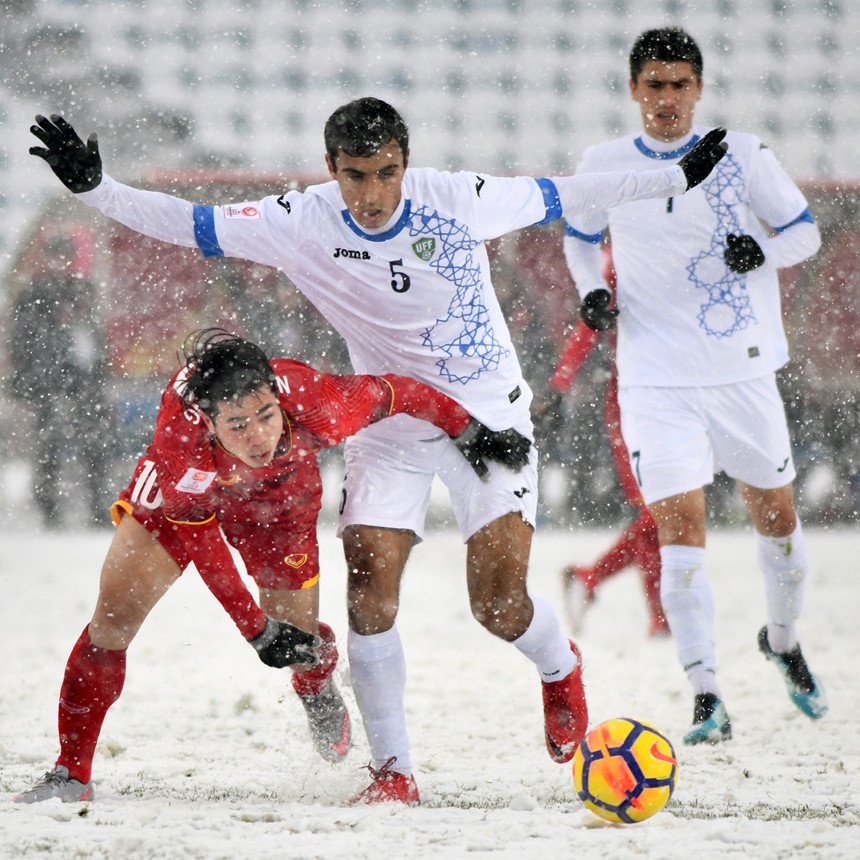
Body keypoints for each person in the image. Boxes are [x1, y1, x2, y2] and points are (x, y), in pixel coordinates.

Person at [28, 101, 727, 802]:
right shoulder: (299, 221)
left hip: (487, 416)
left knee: (498, 604)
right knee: (368, 591)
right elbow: (191, 224)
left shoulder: (458, 200)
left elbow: (568, 193)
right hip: (387, 425)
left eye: (387, 173)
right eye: (356, 176)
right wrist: (97, 189)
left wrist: (673, 181)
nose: (371, 194)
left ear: (406, 161)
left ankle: (557, 668)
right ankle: (394, 772)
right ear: (331, 169)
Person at [14, 328, 528, 803]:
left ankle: (314, 683)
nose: (258, 436)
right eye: (238, 425)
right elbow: (203, 544)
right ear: (210, 422)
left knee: (298, 643)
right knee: (113, 618)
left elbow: (398, 392)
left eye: (265, 415)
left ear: (277, 399)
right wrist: (254, 630)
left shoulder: (315, 401)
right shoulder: (183, 438)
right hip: (184, 495)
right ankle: (70, 773)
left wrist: (467, 430)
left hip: (280, 503)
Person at [561, 27, 827, 745]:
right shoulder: (605, 164)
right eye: (655, 85)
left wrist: (763, 250)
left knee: (780, 526)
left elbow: (805, 231)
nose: (667, 98)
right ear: (633, 90)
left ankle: (780, 636)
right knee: (679, 535)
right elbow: (578, 236)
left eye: (680, 85)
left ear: (699, 89)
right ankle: (706, 693)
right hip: (654, 381)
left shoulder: (743, 154)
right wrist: (591, 290)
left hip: (742, 373)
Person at [552, 248, 667, 638]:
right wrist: (561, 382)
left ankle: (592, 580)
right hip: (634, 401)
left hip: (681, 396)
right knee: (659, 512)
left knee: (665, 513)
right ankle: (657, 616)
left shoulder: (679, 243)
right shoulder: (621, 257)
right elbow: (590, 323)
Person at [9, 234, 112, 528]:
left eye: (64, 257)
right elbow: (25, 338)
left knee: (92, 445)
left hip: (83, 380)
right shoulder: (35, 292)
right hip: (50, 380)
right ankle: (50, 508)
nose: (60, 264)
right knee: (50, 446)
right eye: (55, 257)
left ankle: (95, 504)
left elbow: (93, 335)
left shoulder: (80, 289)